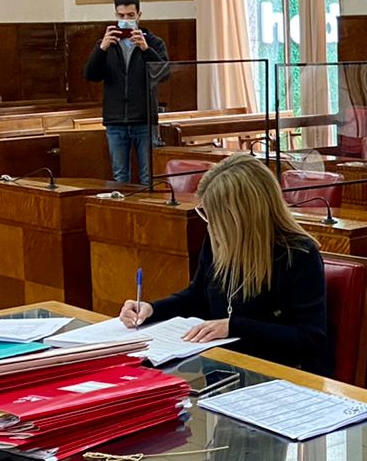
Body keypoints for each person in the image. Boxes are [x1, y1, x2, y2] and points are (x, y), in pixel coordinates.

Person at [118, 155, 329, 374]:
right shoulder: (217, 240)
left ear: (242, 217)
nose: (210, 224)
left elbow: (309, 338)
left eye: (216, 216)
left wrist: (233, 326)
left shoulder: (299, 254)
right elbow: (197, 296)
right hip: (221, 366)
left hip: (277, 374)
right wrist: (152, 309)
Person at [83, 0, 169, 186]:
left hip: (144, 119)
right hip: (116, 121)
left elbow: (164, 74)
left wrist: (146, 49)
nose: (126, 20)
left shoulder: (153, 43)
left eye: (130, 15)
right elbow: (90, 75)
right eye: (121, 16)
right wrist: (101, 49)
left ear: (139, 15)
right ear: (115, 15)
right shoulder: (107, 44)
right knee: (120, 177)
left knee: (149, 176)